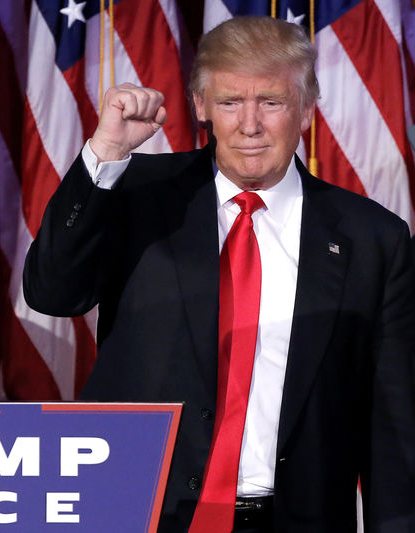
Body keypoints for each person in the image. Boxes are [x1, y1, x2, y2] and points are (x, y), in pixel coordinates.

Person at [24, 16, 415, 533]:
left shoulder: (373, 238)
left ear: (305, 108)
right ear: (201, 106)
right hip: (138, 513)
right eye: (230, 102)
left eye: (271, 102)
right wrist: (107, 153)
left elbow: (393, 426)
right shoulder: (137, 194)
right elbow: (52, 292)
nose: (249, 125)